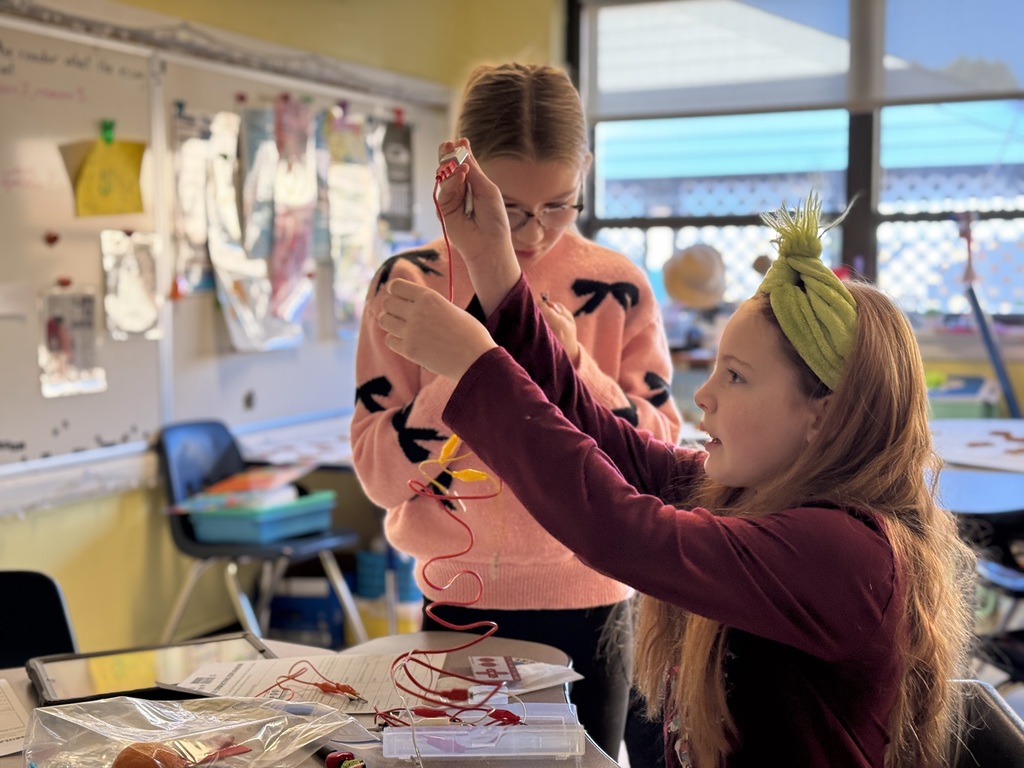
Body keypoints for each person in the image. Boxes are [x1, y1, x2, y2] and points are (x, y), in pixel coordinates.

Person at [373, 142, 978, 767]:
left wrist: (479, 370)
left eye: (737, 377)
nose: (706, 397)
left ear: (822, 414)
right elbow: (610, 444)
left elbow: (620, 528)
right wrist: (495, 265)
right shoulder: (756, 498)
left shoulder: (845, 554)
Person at [350, 63, 682, 758]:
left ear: (586, 172)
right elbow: (381, 476)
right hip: (460, 600)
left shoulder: (615, 287)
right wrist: (468, 368)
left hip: (595, 594)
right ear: (464, 175)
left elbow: (662, 454)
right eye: (510, 209)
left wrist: (573, 367)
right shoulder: (408, 283)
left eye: (560, 205)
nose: (532, 236)